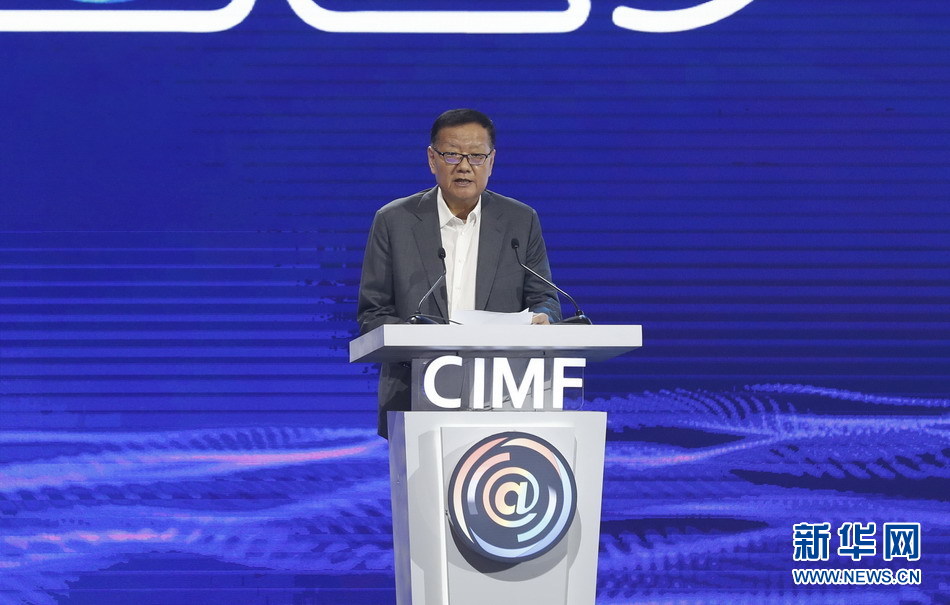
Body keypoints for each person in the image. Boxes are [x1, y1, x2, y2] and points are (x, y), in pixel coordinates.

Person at [357, 108, 562, 437]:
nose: (465, 166)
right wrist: (422, 342)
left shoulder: (521, 221)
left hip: (504, 392)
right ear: (432, 159)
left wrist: (544, 317)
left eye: (477, 156)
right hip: (415, 392)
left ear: (491, 161)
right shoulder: (393, 221)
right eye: (452, 154)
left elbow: (545, 298)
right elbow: (373, 314)